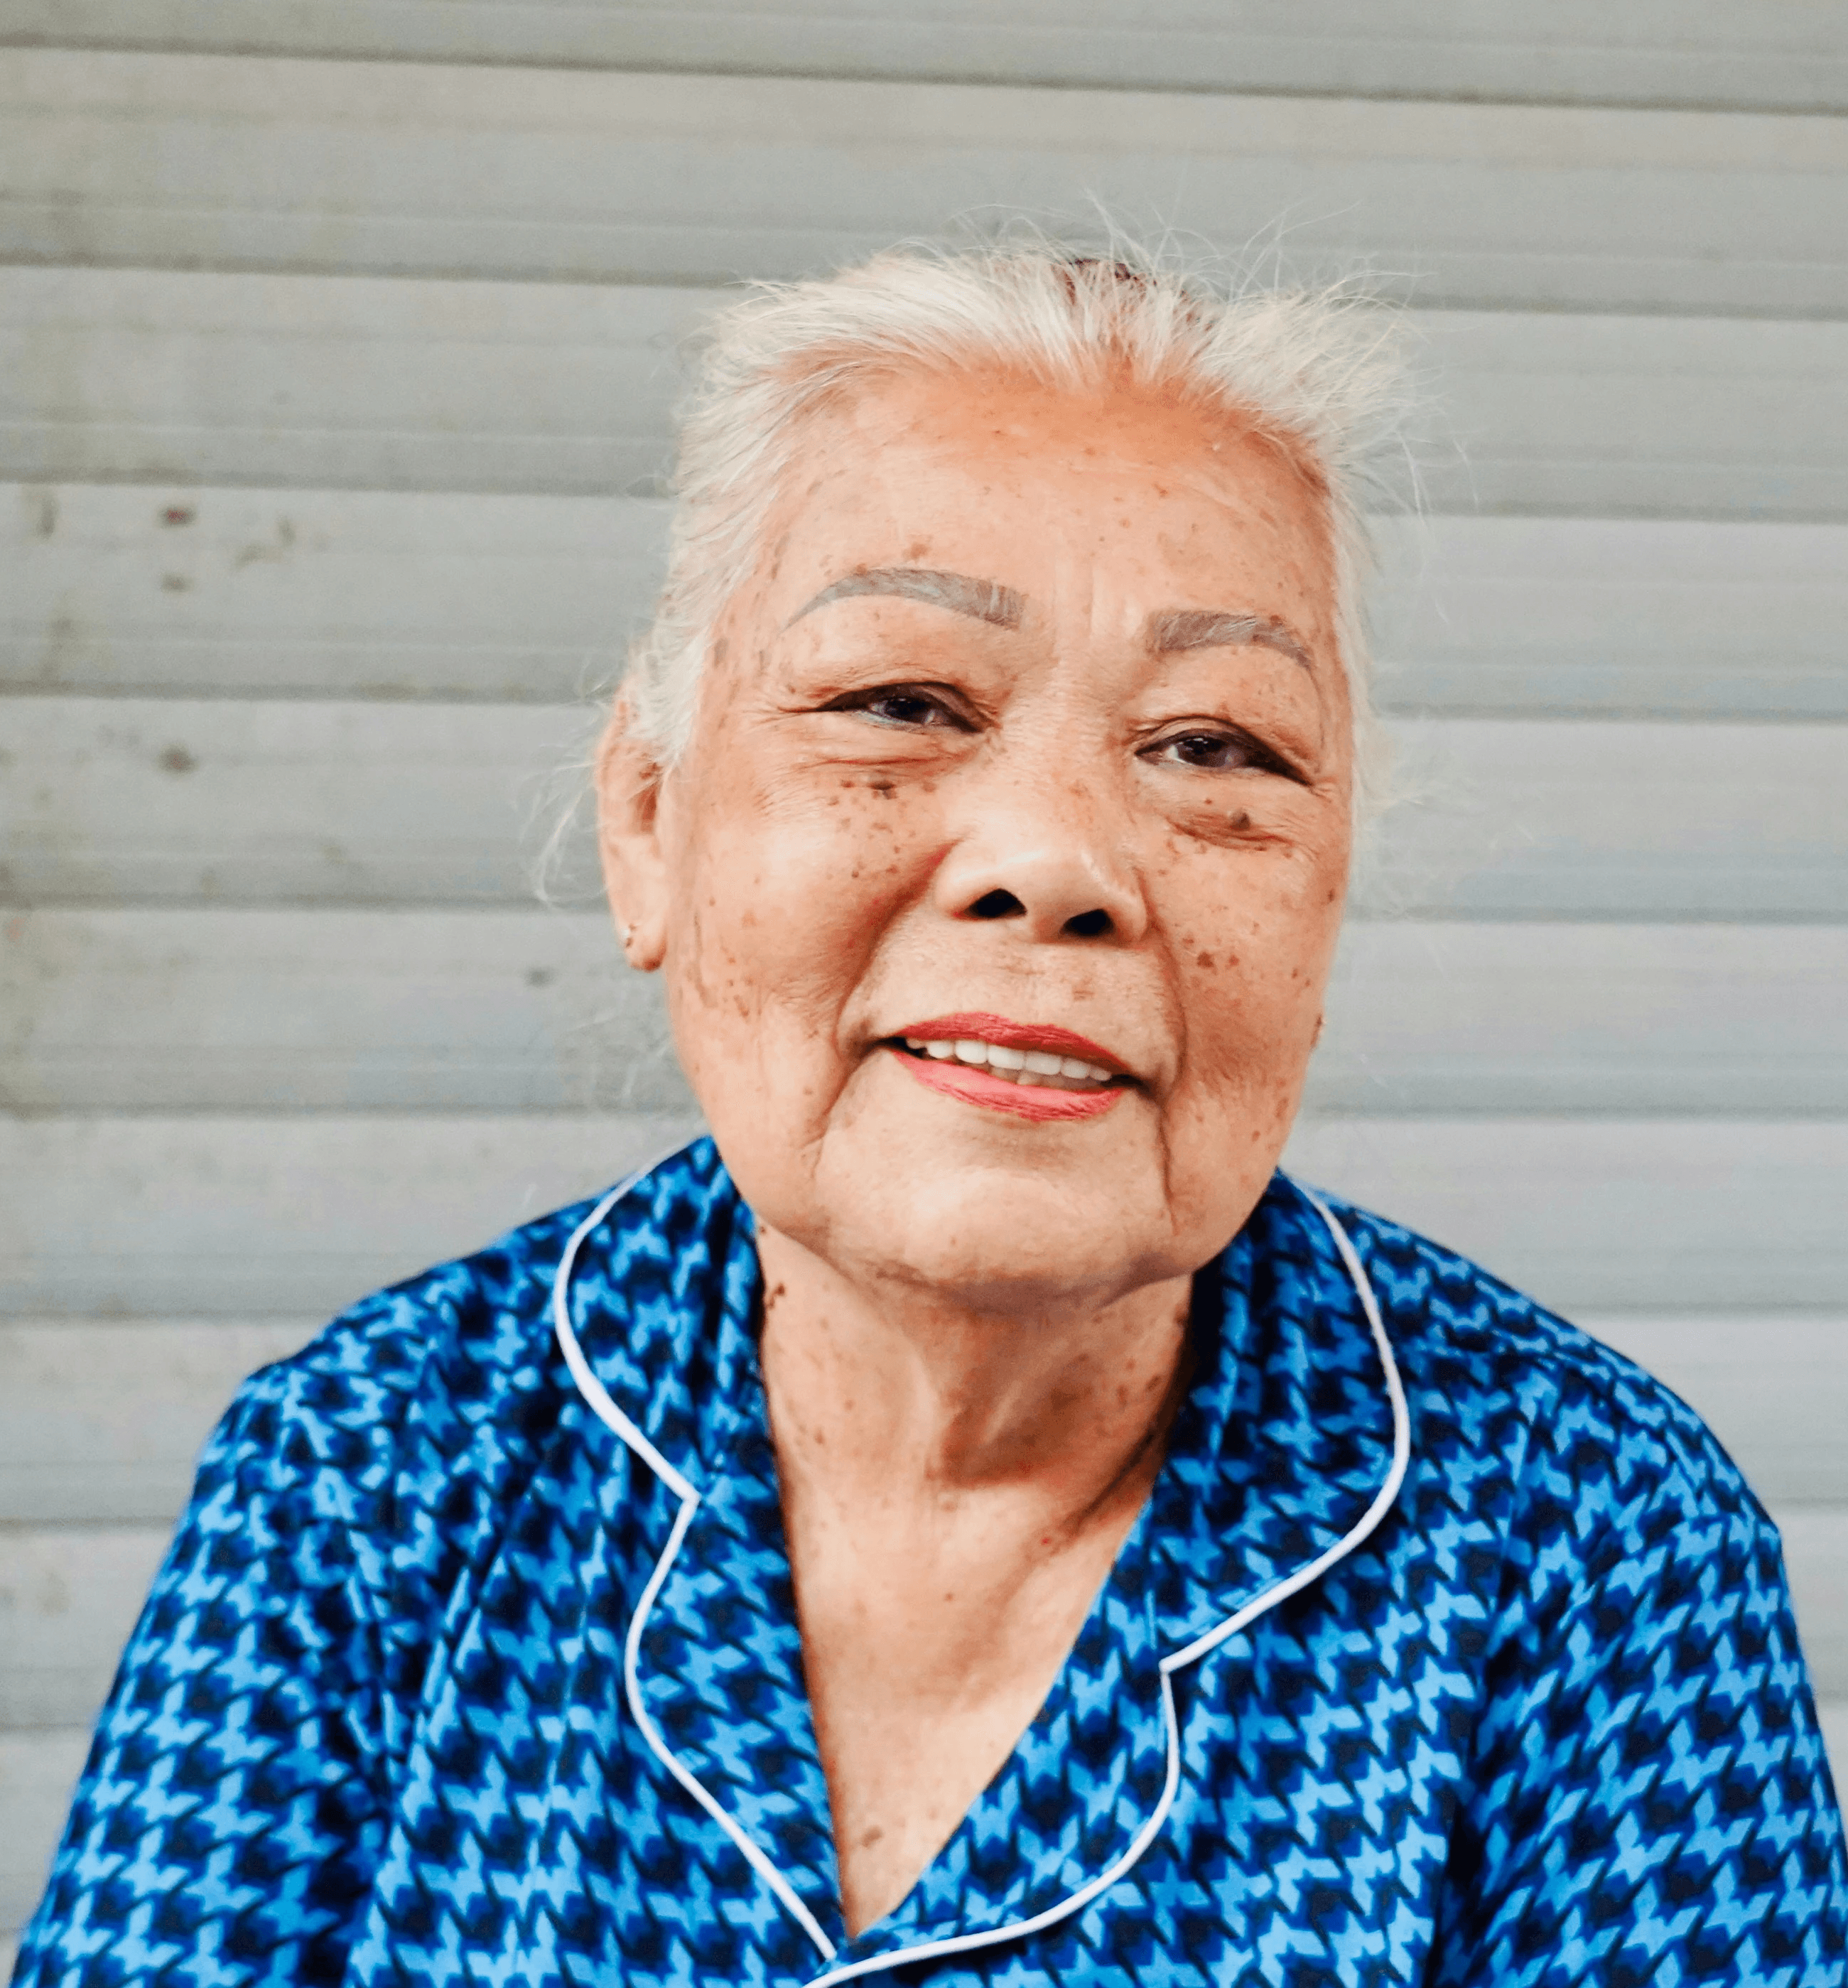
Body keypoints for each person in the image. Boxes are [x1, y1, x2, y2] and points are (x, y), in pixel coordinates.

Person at [15, 242, 1845, 1988]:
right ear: (649, 824)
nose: (1056, 864)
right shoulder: (373, 1470)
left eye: (1215, 747)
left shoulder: (1580, 1538)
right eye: (898, 700)